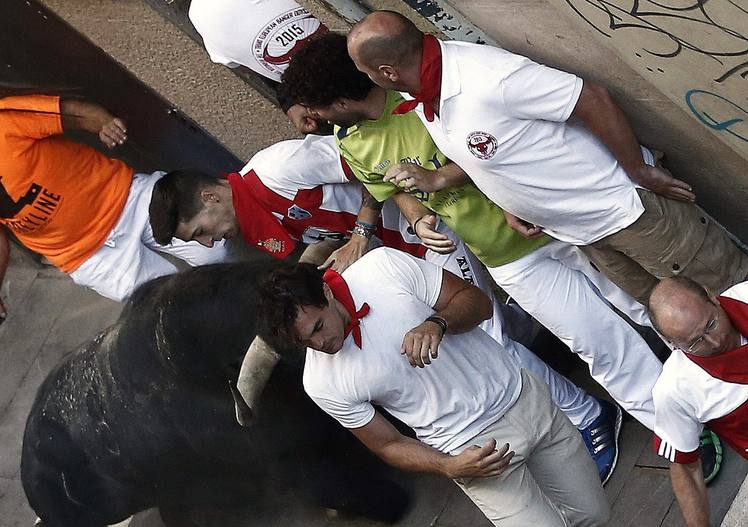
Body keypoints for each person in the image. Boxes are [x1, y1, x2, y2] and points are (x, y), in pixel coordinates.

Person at [258, 247, 647, 527]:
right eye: (306, 343)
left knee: (592, 517)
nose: (321, 345)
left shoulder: (384, 267)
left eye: (318, 328)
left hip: (525, 399)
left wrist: (437, 323)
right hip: (472, 455)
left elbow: (477, 303)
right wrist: (449, 466)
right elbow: (388, 443)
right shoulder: (321, 382)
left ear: (326, 290)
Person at [149, 138, 617, 479]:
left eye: (201, 232)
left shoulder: (279, 168)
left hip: (428, 229)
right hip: (400, 263)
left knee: (486, 336)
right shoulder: (254, 226)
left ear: (210, 197)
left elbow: (370, 163)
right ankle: (552, 405)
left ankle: (587, 415)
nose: (210, 243)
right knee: (493, 331)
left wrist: (363, 231)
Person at [279, 33, 662, 440]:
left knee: (643, 303)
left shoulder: (418, 99)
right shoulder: (348, 139)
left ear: (339, 102)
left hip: (550, 222)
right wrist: (419, 217)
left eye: (318, 108)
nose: (316, 120)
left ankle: (719, 383)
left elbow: (488, 145)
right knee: (597, 345)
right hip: (504, 257)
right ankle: (674, 428)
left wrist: (440, 176)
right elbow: (393, 189)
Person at [346, 11, 748, 305]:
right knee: (682, 324)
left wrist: (638, 169)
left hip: (632, 212)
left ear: (388, 72)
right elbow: (492, 150)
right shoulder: (423, 96)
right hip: (587, 233)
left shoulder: (487, 78)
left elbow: (592, 98)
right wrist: (508, 201)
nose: (369, 80)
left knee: (731, 296)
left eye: (366, 72)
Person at [0, 94, 229, 304]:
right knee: (170, 304)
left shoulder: (4, 121)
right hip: (85, 253)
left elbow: (70, 113)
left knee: (217, 253)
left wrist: (105, 123)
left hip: (127, 197)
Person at [650, 276, 748, 527]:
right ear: (672, 343)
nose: (716, 340)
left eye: (711, 324)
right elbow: (685, 466)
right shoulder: (675, 390)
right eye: (696, 342)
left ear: (711, 296)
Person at [188, 0, 330, 136]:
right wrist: (290, 101)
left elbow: (247, 63)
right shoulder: (203, 15)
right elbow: (250, 63)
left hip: (328, 100)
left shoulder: (200, 15)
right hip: (328, 103)